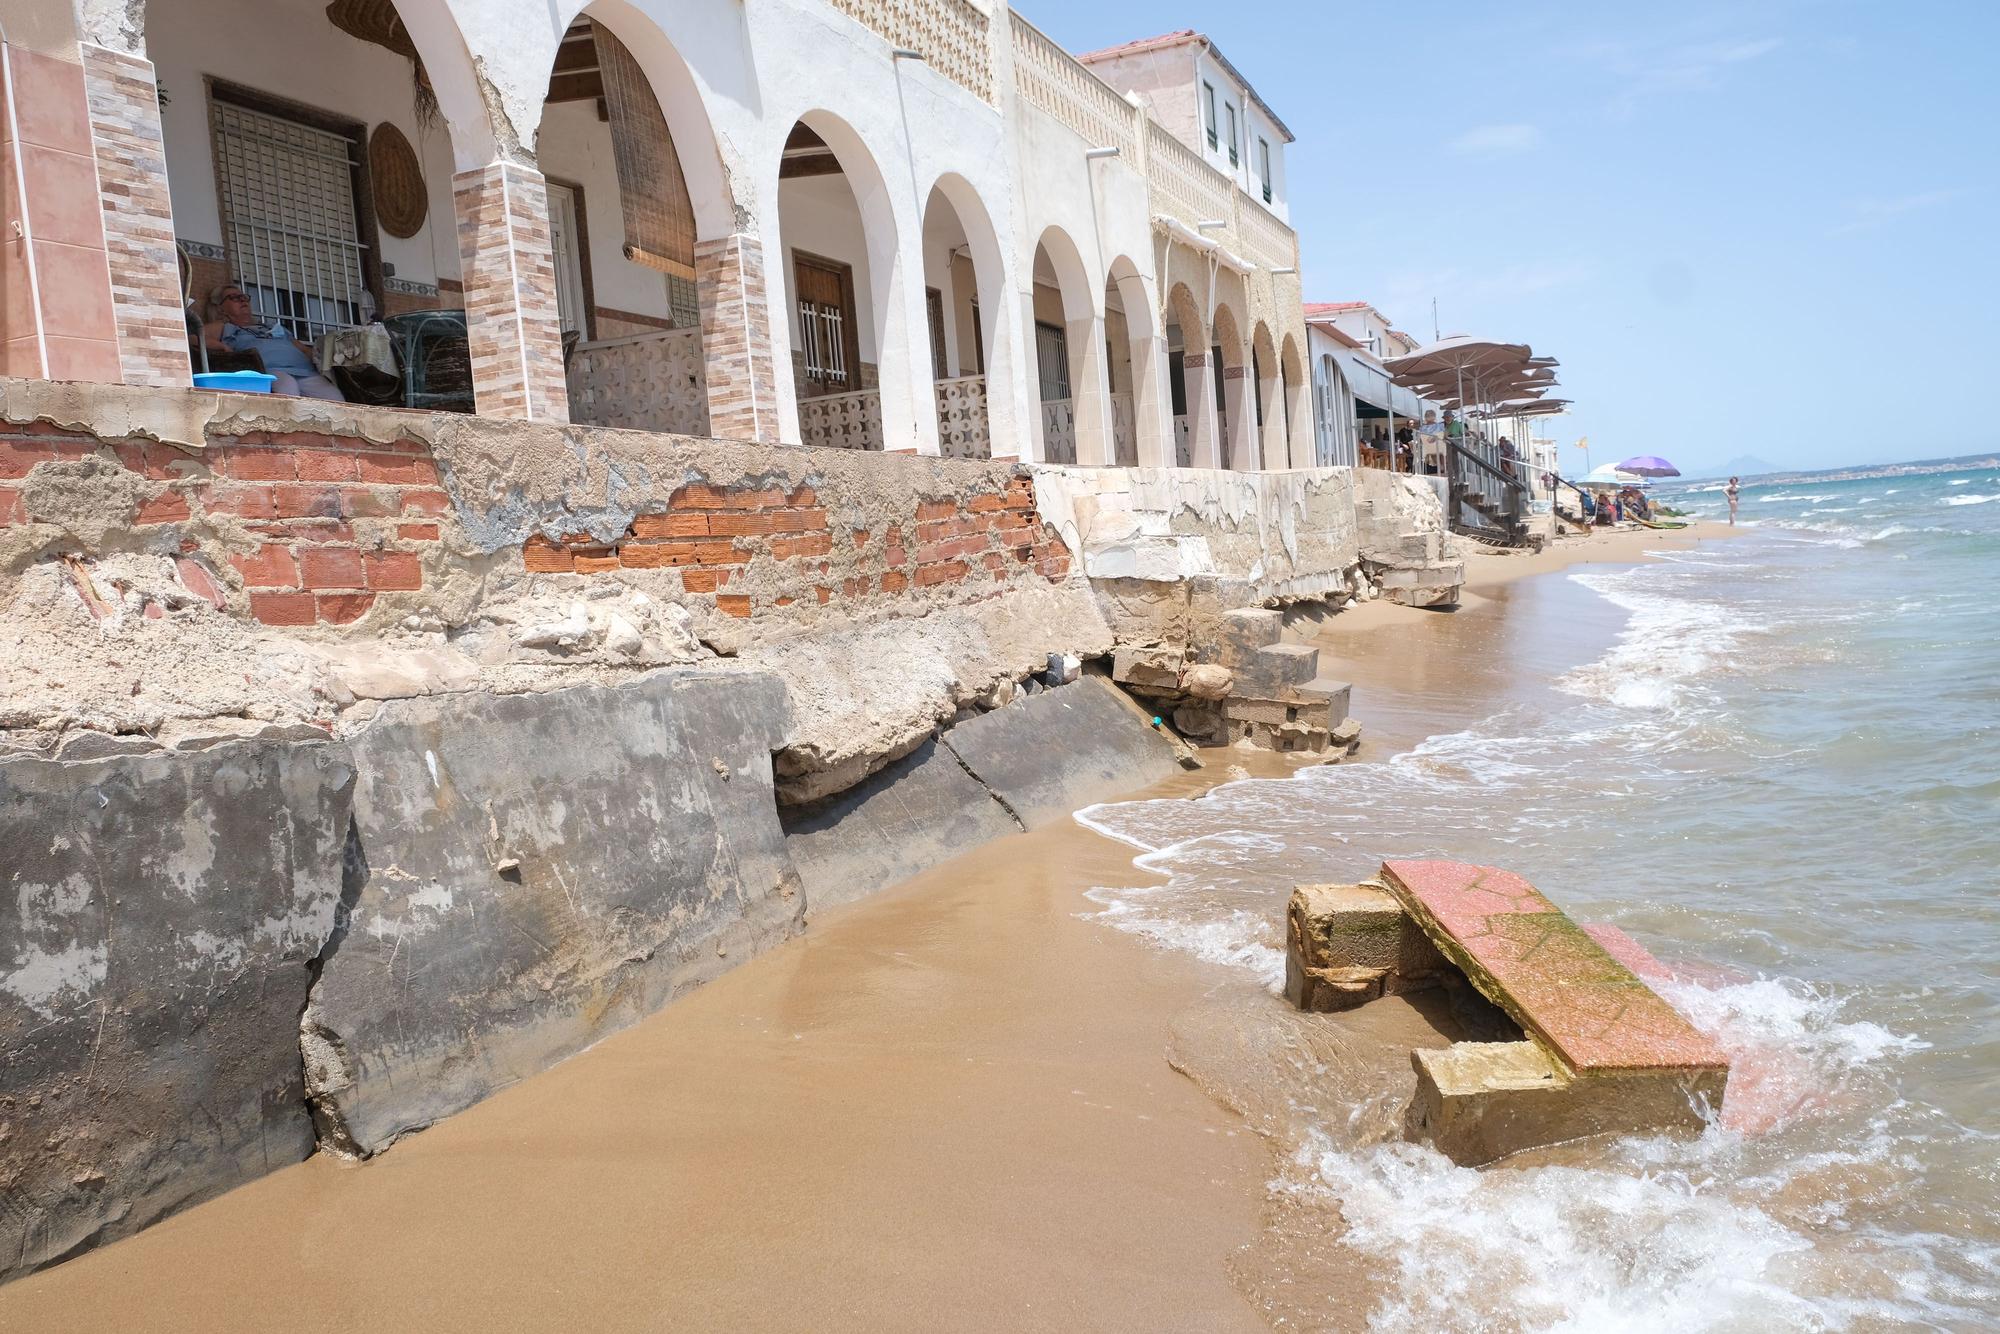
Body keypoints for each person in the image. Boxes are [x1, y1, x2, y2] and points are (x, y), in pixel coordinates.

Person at [204, 286, 344, 401]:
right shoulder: (224, 327)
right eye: (234, 297)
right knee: (288, 390)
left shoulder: (273, 327)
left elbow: (305, 350)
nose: (242, 300)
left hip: (304, 371)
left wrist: (326, 358)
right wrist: (221, 346)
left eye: (244, 297)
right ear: (220, 308)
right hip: (268, 372)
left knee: (335, 398)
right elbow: (194, 337)